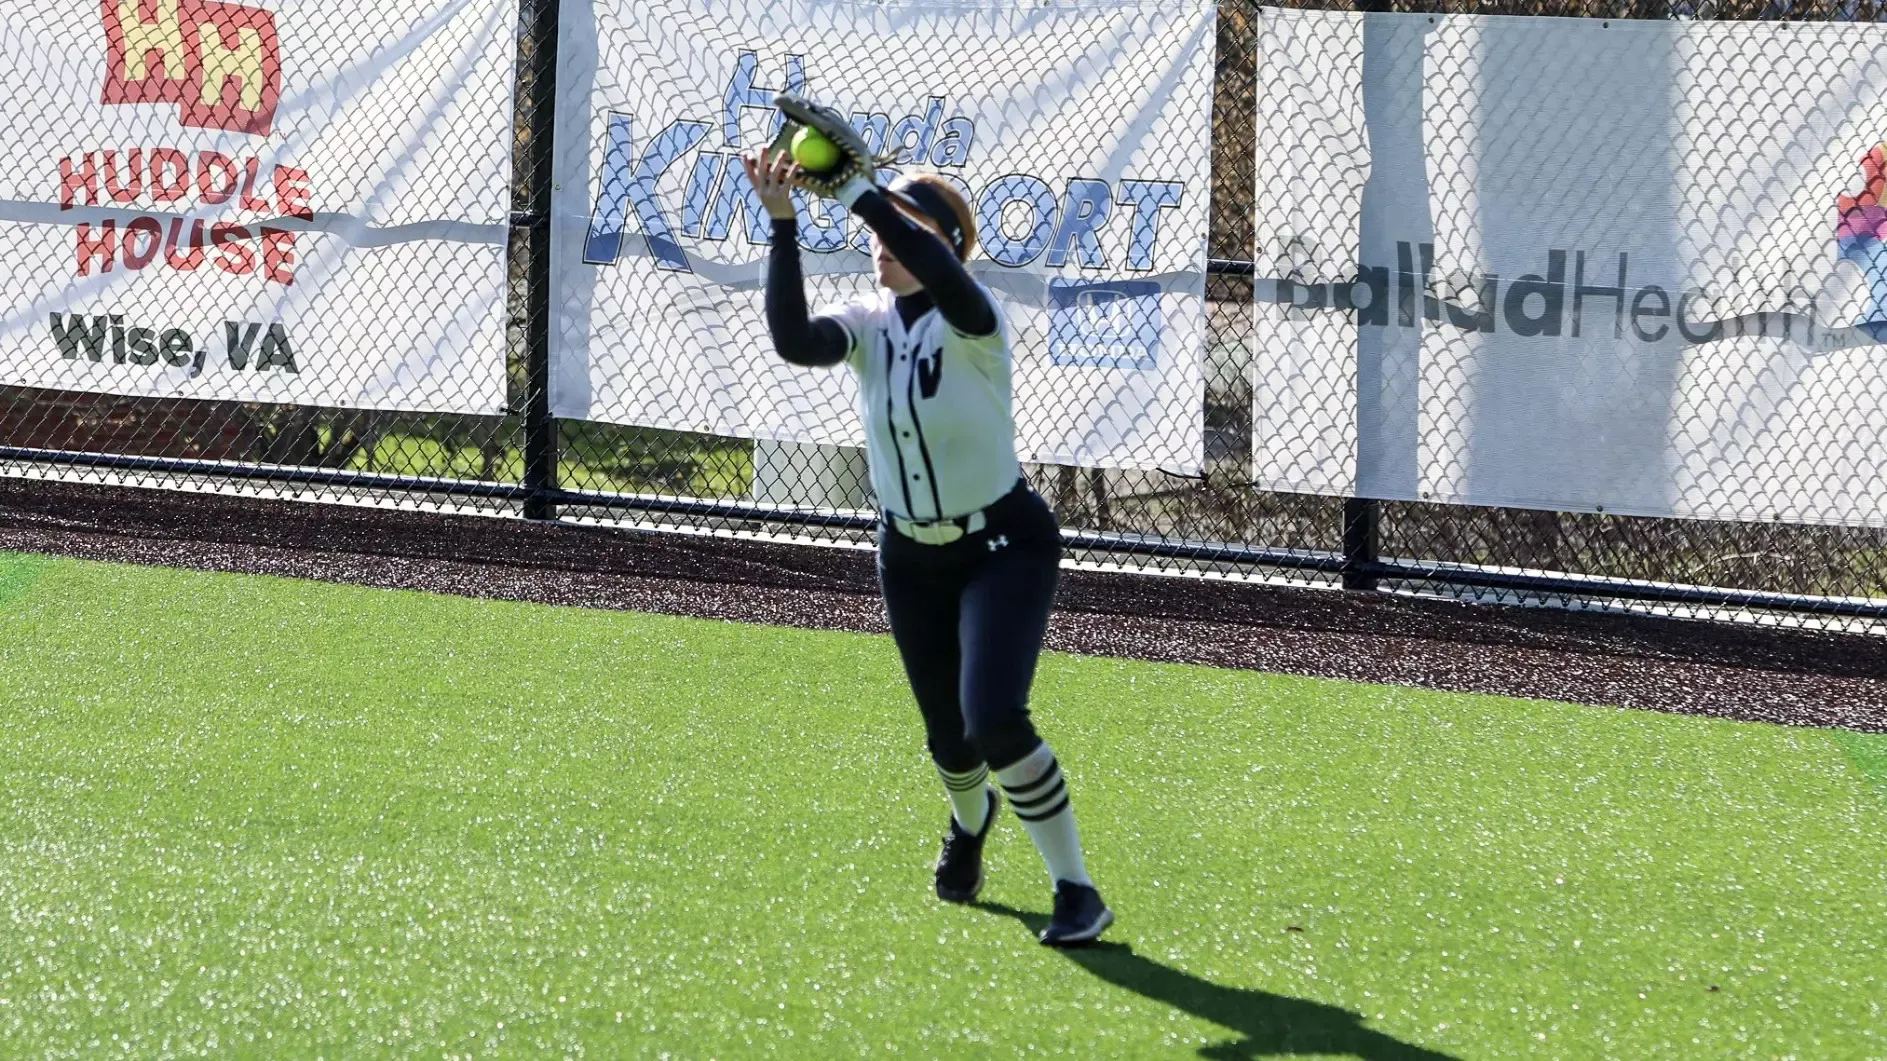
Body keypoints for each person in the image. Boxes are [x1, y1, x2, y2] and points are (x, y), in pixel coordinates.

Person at [739, 146, 1112, 946]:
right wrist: (782, 225)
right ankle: (969, 821)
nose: (882, 240)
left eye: (906, 229)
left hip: (1004, 543)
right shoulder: (869, 325)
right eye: (880, 226)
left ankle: (1075, 889)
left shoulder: (975, 319)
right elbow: (794, 341)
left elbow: (938, 274)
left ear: (942, 246)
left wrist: (863, 194)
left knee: (994, 718)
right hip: (908, 555)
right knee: (948, 738)